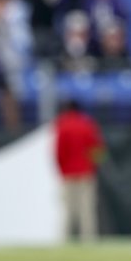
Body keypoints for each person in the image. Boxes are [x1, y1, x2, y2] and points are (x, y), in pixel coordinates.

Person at [54, 100, 104, 242]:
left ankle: (64, 239)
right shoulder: (87, 125)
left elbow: (59, 152)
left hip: (68, 174)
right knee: (87, 209)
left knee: (67, 210)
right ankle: (88, 240)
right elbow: (98, 149)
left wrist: (62, 171)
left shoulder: (62, 125)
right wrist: (94, 167)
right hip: (86, 173)